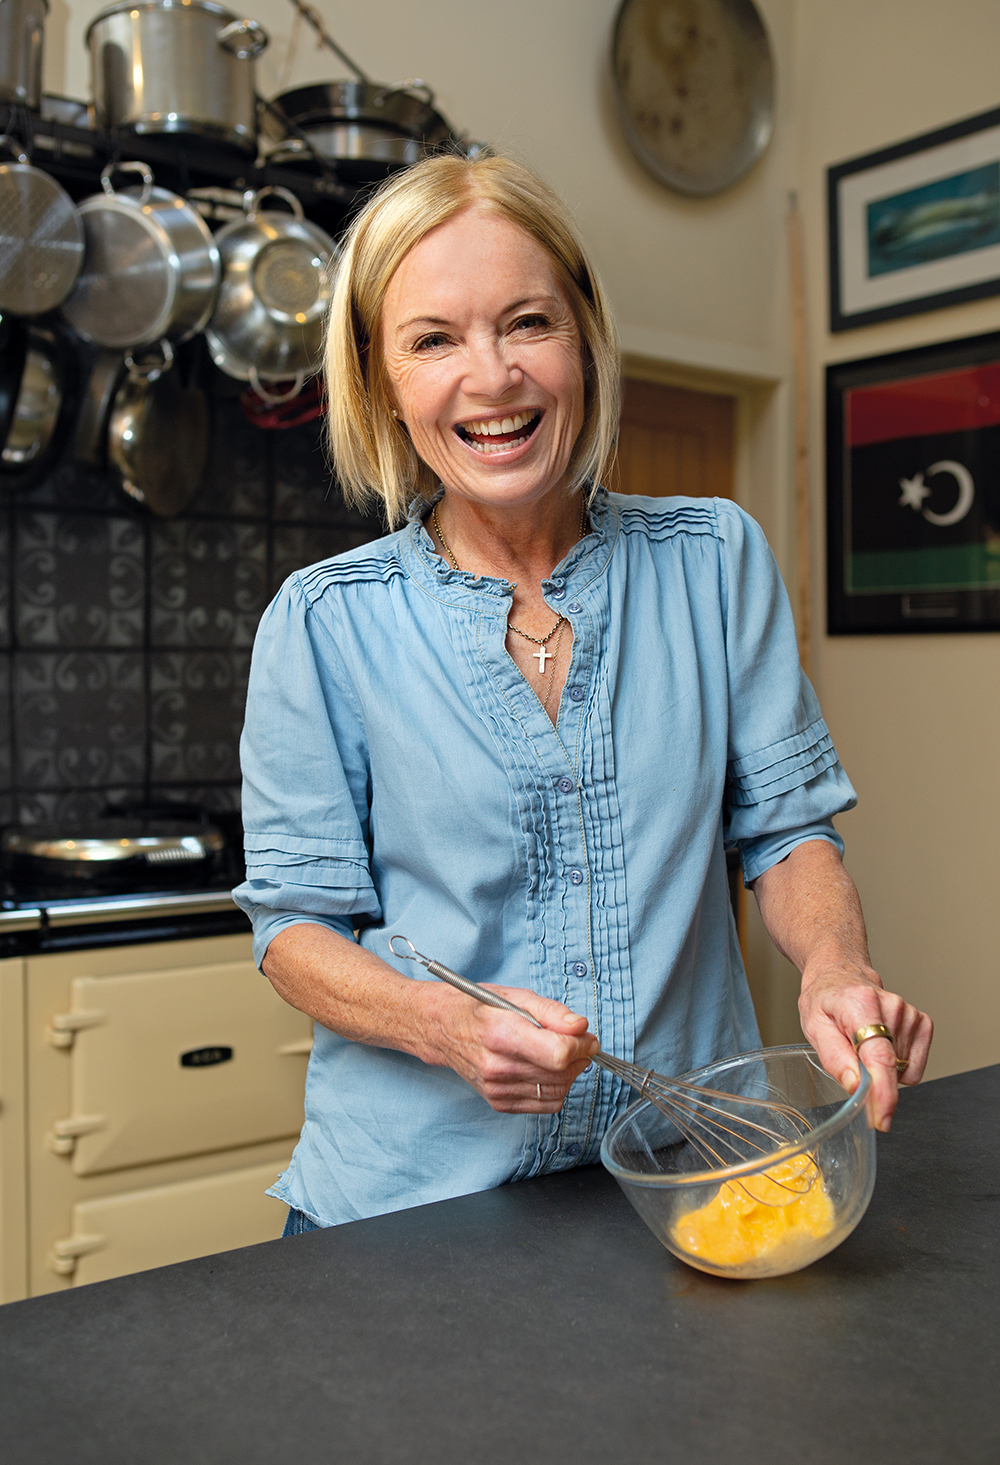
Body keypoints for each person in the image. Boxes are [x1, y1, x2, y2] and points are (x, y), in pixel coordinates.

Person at [233, 154, 933, 1233]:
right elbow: (295, 928)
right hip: (414, 1208)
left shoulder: (713, 560)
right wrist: (441, 1025)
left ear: (585, 341)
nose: (493, 375)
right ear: (380, 381)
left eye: (527, 323)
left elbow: (787, 831)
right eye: (432, 339)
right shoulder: (326, 622)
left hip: (693, 1165)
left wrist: (837, 970)